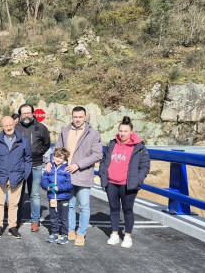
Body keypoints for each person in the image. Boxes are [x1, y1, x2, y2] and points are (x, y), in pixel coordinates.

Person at [46, 106, 102, 247]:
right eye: (75, 117)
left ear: (85, 117)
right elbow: (56, 149)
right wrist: (49, 161)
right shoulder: (65, 131)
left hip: (83, 174)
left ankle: (81, 233)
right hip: (66, 175)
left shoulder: (93, 133)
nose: (77, 119)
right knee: (69, 205)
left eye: (80, 117)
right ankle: (70, 230)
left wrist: (78, 165)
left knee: (84, 206)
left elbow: (97, 154)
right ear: (72, 117)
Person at [99, 116, 150, 249]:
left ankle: (127, 236)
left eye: (125, 131)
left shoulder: (139, 146)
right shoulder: (112, 143)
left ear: (131, 132)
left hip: (128, 184)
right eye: (120, 130)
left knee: (128, 210)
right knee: (114, 208)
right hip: (111, 182)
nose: (122, 133)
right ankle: (114, 234)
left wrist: (137, 180)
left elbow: (145, 166)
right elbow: (104, 160)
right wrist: (102, 173)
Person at [0, 116, 32, 239]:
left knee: (13, 204)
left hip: (17, 176)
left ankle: (12, 227)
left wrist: (25, 174)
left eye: (10, 124)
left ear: (14, 124)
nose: (8, 127)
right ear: (2, 127)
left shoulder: (23, 141)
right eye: (5, 125)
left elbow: (28, 159)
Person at [15, 103, 51, 233]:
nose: (26, 115)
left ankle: (35, 221)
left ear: (32, 113)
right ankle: (17, 219)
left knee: (34, 194)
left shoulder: (41, 128)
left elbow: (47, 143)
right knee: (18, 194)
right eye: (23, 113)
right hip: (19, 166)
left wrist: (38, 152)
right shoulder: (15, 128)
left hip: (35, 165)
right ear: (20, 114)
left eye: (28, 112)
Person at [41, 148, 73, 244]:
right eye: (56, 157)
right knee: (53, 216)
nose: (57, 159)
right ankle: (54, 233)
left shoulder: (67, 169)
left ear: (64, 159)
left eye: (60, 158)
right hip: (52, 197)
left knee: (64, 217)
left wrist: (59, 188)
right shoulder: (49, 168)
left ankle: (64, 234)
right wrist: (47, 187)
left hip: (63, 197)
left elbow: (70, 183)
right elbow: (44, 180)